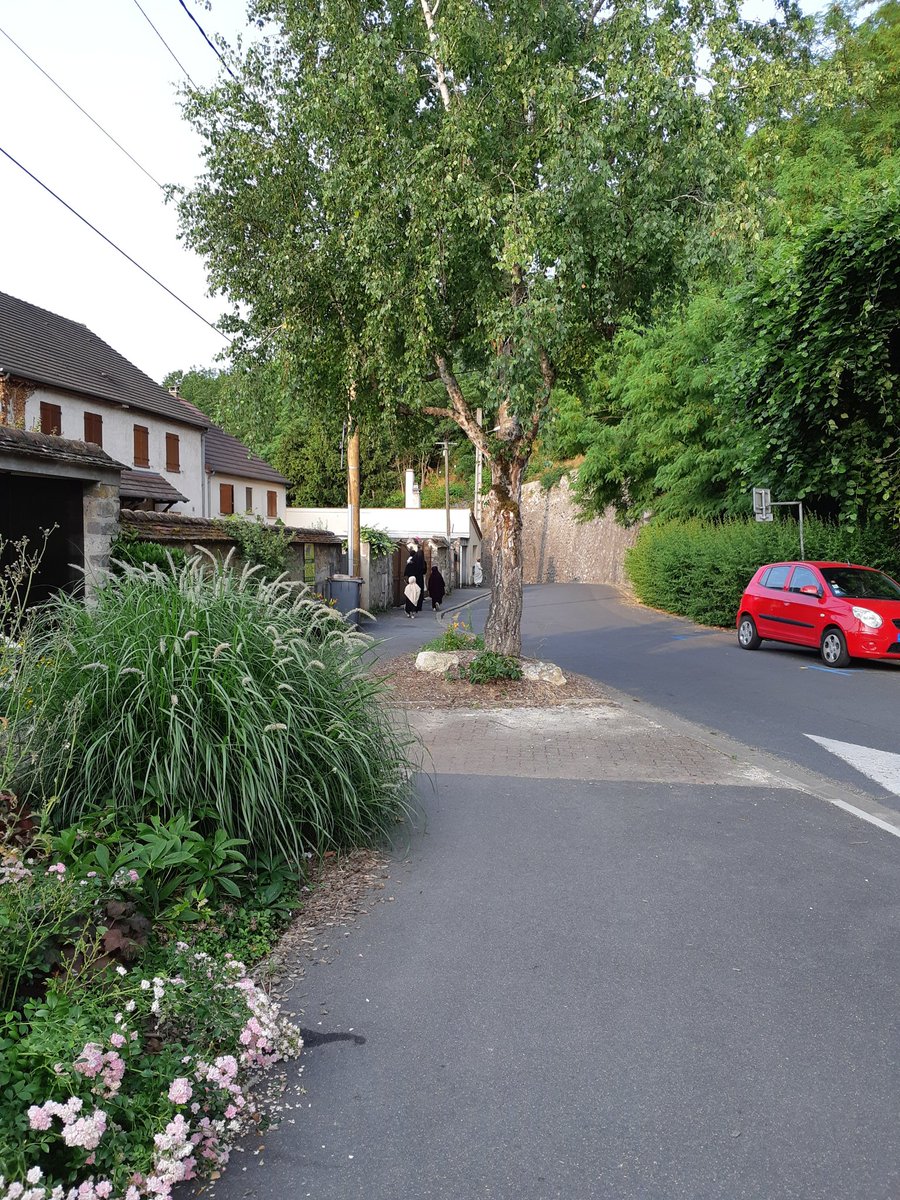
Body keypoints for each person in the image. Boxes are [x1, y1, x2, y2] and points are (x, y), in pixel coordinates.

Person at [406, 540, 427, 611]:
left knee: (412, 593)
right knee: (419, 592)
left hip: (413, 580)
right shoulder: (423, 562)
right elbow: (425, 571)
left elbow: (407, 570)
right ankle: (419, 606)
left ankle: (412, 606)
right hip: (420, 579)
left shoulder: (412, 561)